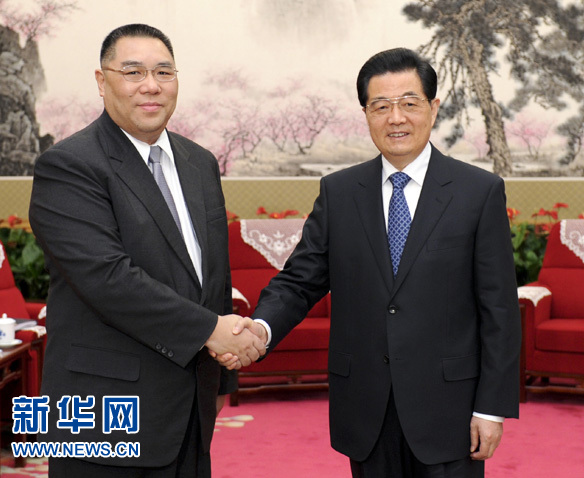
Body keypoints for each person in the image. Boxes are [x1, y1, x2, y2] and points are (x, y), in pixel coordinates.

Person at [218, 48, 521, 477]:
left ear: (433, 108)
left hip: (449, 408)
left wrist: (491, 407)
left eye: (409, 103)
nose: (395, 118)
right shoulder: (340, 192)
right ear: (365, 114)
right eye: (381, 106)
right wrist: (261, 330)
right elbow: (300, 281)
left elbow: (499, 309)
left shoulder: (478, 192)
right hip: (365, 407)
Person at [29, 23, 264, 477]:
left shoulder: (199, 163)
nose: (151, 85)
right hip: (105, 415)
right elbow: (107, 280)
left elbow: (214, 277)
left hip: (191, 408)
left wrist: (223, 373)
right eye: (133, 72)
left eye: (164, 72)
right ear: (102, 81)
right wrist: (211, 331)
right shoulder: (69, 165)